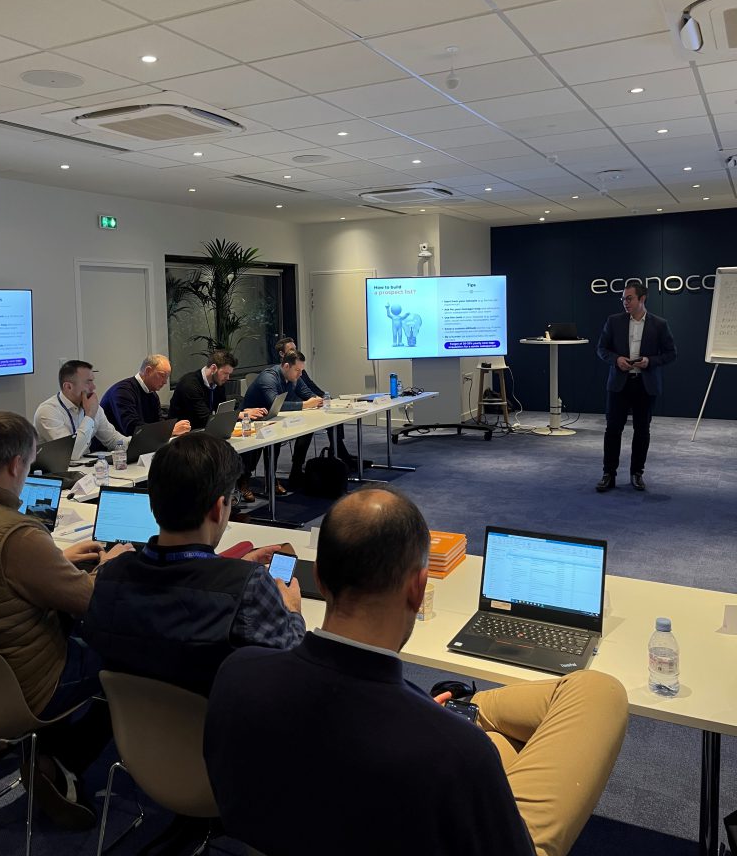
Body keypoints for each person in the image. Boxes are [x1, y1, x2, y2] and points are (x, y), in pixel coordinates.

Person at [204, 487, 627, 856]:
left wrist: (429, 719)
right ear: (418, 587)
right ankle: (467, 713)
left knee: (494, 739)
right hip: (443, 776)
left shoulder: (238, 673)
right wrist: (437, 728)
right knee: (599, 691)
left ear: (320, 578)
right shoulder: (455, 753)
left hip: (293, 830)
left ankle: (464, 710)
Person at [0, 412, 131, 829]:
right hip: (25, 688)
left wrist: (55, 560)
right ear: (15, 465)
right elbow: (89, 601)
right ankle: (61, 760)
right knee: (125, 656)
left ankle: (18, 747)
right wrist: (109, 563)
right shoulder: (17, 534)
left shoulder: (13, 536)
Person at [82, 433, 305, 697]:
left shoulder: (110, 576)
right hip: (219, 721)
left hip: (129, 720)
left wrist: (229, 568)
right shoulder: (250, 588)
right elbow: (293, 664)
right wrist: (292, 609)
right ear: (219, 508)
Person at [596, 280, 677, 492]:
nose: (625, 302)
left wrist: (650, 361)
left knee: (642, 430)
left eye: (629, 298)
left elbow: (671, 354)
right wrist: (616, 360)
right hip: (619, 384)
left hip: (645, 384)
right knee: (613, 429)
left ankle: (637, 473)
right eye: (623, 298)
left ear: (642, 299)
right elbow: (601, 349)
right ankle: (608, 474)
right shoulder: (614, 321)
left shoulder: (659, 324)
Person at [240, 350, 322, 493]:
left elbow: (308, 394)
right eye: (297, 370)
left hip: (271, 419)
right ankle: (244, 481)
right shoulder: (268, 377)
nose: (300, 374)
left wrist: (316, 399)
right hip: (249, 421)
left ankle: (292, 472)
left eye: (301, 370)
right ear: (286, 366)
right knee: (270, 439)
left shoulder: (293, 376)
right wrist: (305, 404)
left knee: (306, 430)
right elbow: (275, 404)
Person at [276, 336, 356, 472]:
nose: (295, 352)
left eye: (296, 349)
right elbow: (285, 398)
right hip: (292, 407)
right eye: (291, 350)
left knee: (334, 414)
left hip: (306, 403)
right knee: (308, 425)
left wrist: (323, 397)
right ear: (282, 354)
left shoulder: (298, 367)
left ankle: (337, 451)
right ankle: (297, 467)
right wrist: (307, 403)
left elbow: (308, 386)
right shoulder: (280, 372)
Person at [33, 360, 127, 460]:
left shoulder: (91, 406)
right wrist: (90, 415)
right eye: (88, 382)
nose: (93, 387)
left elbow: (114, 440)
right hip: (56, 469)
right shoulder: (48, 412)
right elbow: (71, 453)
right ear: (68, 387)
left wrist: (135, 444)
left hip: (86, 467)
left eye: (92, 381)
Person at [168, 349, 267, 430]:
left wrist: (244, 411)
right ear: (213, 368)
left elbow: (221, 413)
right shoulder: (190, 385)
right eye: (225, 373)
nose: (227, 378)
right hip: (184, 436)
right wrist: (241, 414)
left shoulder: (217, 382)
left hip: (203, 431)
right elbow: (204, 419)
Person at [101, 354, 190, 438]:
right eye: (162, 375)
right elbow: (131, 428)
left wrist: (168, 430)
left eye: (167, 377)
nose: (165, 382)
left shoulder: (153, 395)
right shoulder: (122, 391)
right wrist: (169, 431)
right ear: (148, 371)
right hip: (112, 447)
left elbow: (157, 424)